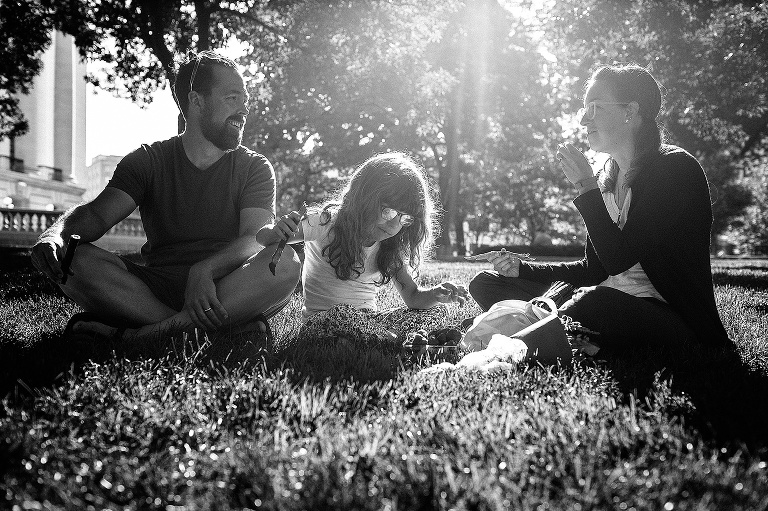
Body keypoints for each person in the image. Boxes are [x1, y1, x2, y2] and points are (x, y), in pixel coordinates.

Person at [31, 51, 301, 344]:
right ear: (196, 101)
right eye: (232, 98)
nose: (244, 110)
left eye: (245, 100)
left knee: (286, 261)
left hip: (225, 285)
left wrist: (205, 270)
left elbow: (253, 238)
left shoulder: (255, 167)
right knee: (74, 258)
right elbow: (96, 215)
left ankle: (141, 336)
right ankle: (219, 328)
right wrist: (54, 235)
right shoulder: (147, 160)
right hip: (154, 288)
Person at [468, 64, 730, 351]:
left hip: (671, 320)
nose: (583, 120)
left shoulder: (674, 169)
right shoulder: (610, 177)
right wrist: (522, 269)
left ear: (630, 112)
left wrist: (585, 185)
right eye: (584, 109)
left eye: (594, 108)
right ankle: (553, 323)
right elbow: (593, 269)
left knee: (594, 302)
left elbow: (620, 259)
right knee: (486, 283)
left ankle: (529, 334)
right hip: (604, 298)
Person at [256, 152, 468, 345]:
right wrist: (278, 229)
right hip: (322, 321)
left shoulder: (389, 248)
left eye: (405, 218)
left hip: (369, 320)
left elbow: (412, 296)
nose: (394, 225)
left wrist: (436, 295)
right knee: (342, 314)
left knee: (437, 311)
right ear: (364, 199)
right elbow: (263, 237)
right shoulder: (326, 222)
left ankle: (369, 340)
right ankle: (383, 339)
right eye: (388, 212)